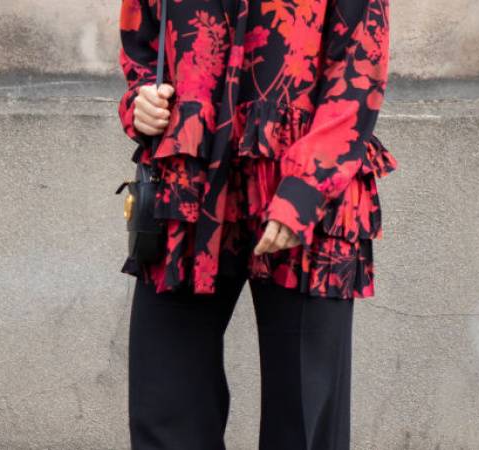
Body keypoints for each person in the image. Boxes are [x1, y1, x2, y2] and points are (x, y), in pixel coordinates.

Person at [117, 0, 397, 448]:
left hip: (305, 190)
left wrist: (306, 188)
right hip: (190, 189)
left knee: (302, 422)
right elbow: (142, 37)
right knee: (164, 407)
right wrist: (141, 101)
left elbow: (359, 66)